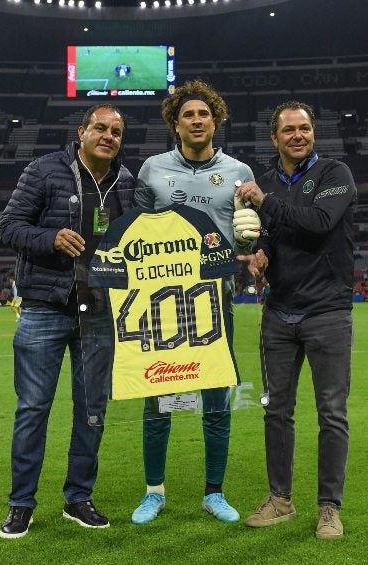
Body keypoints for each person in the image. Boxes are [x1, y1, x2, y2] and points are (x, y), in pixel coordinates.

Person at [0, 103, 135, 539]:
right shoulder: (45, 170)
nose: (108, 135)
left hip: (99, 310)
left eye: (116, 130)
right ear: (82, 132)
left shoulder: (126, 183)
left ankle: (78, 498)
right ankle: (21, 504)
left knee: (92, 410)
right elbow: (9, 226)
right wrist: (50, 238)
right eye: (100, 127)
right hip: (44, 308)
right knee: (33, 409)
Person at [130, 79, 256, 525]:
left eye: (204, 114)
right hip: (162, 303)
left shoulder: (240, 172)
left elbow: (245, 230)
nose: (197, 120)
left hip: (216, 299)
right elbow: (136, 231)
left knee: (217, 399)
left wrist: (250, 243)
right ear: (175, 123)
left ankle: (213, 493)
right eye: (188, 114)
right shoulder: (152, 169)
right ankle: (153, 493)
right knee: (158, 398)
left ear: (215, 120)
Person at [234, 100, 356, 540]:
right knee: (276, 412)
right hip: (279, 313)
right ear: (275, 138)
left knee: (332, 413)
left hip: (328, 312)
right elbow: (271, 233)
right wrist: (261, 256)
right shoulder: (265, 181)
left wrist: (266, 201)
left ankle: (329, 508)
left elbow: (320, 223)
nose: (298, 135)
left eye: (304, 128)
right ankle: (281, 499)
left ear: (313, 133)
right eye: (289, 130)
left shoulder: (334, 175)